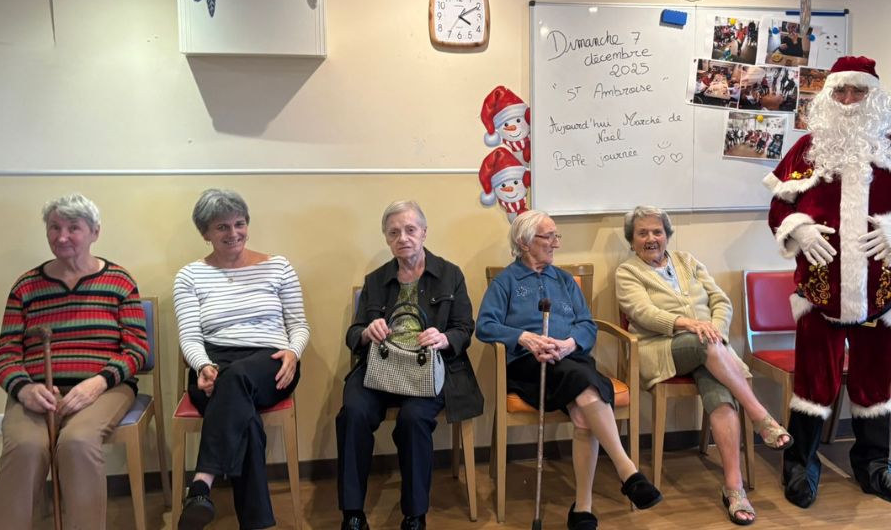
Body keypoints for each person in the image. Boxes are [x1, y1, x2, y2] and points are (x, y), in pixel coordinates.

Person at [764, 56, 891, 509]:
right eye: (840, 92)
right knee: (812, 383)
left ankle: (875, 465)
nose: (847, 101)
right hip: (820, 295)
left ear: (873, 98)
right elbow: (779, 209)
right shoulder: (807, 150)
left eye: (857, 92)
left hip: (881, 296)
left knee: (874, 384)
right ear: (827, 97)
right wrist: (799, 229)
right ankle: (802, 463)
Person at [477, 210, 662, 530]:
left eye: (556, 236)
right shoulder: (505, 281)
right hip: (528, 367)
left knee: (582, 411)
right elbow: (485, 326)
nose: (555, 244)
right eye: (548, 237)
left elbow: (587, 326)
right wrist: (525, 338)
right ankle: (626, 473)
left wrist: (570, 344)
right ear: (524, 242)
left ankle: (584, 506)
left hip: (570, 360)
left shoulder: (563, 280)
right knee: (583, 384)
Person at [615, 206, 790, 526]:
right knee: (705, 345)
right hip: (662, 349)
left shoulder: (687, 261)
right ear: (632, 240)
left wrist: (716, 333)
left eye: (657, 231)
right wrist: (692, 324)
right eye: (642, 233)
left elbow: (721, 301)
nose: (651, 238)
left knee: (719, 392)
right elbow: (643, 314)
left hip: (709, 348)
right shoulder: (628, 271)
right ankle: (760, 415)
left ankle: (734, 489)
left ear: (667, 235)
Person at [0, 193, 149, 530]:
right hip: (39, 391)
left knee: (76, 443)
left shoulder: (118, 281)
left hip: (105, 389)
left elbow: (136, 350)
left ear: (95, 232)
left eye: (73, 228)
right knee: (25, 448)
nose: (62, 237)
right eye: (54, 227)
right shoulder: (27, 287)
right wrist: (24, 388)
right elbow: (5, 354)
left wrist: (98, 382)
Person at [338, 201, 483, 530]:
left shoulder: (450, 274)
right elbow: (353, 333)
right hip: (381, 365)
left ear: (423, 233)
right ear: (387, 239)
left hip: (427, 368)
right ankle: (352, 513)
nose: (402, 237)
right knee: (353, 414)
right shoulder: (375, 280)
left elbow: (464, 328)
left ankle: (415, 515)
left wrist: (444, 338)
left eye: (410, 230)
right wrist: (366, 333)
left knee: (414, 420)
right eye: (393, 233)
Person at [174, 188, 310, 530]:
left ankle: (202, 481)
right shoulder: (189, 276)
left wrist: (294, 352)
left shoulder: (278, 267)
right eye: (222, 227)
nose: (233, 233)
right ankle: (258, 523)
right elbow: (190, 336)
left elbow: (299, 324)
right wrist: (202, 366)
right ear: (205, 233)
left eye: (239, 223)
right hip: (213, 364)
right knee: (245, 418)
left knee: (237, 380)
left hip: (271, 361)